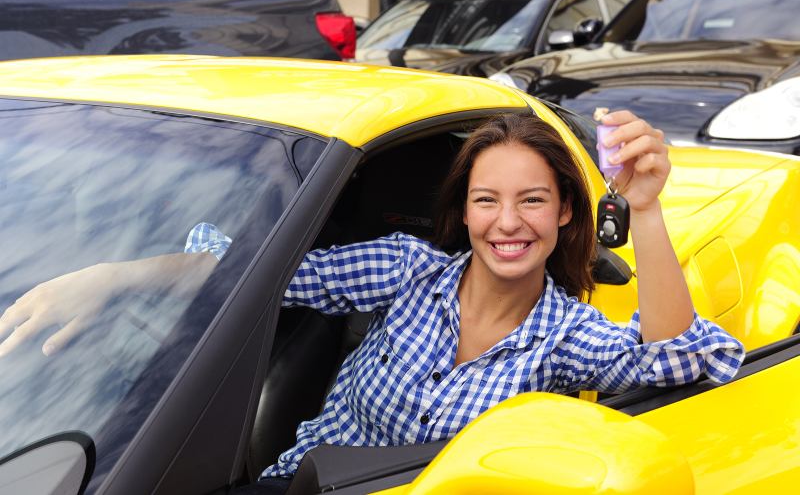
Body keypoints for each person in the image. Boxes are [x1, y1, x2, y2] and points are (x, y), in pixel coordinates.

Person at [0, 110, 744, 493]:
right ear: (465, 211)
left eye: (532, 201)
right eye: (487, 200)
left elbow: (682, 357)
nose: (508, 222)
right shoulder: (406, 270)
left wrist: (644, 209)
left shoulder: (566, 336)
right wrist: (108, 276)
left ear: (564, 217)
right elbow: (250, 275)